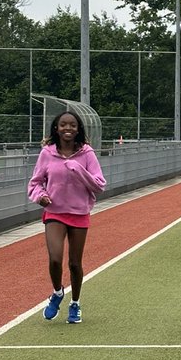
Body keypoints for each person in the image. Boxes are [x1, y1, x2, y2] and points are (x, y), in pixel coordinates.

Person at [27, 110, 107, 324]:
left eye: (72, 125)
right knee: (55, 259)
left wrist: (78, 169)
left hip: (79, 213)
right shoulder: (47, 153)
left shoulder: (87, 153)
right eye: (63, 125)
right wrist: (40, 196)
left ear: (78, 129)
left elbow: (99, 185)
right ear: (57, 128)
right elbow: (35, 183)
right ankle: (57, 292)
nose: (68, 128)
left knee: (74, 264)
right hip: (55, 212)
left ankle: (75, 303)